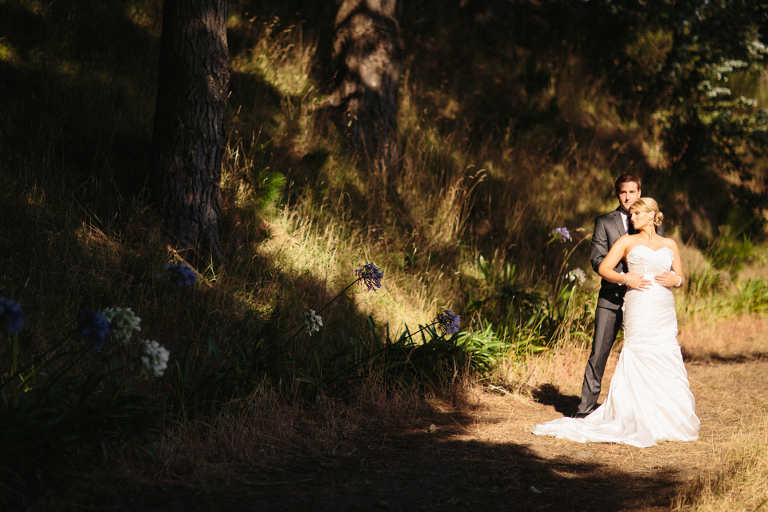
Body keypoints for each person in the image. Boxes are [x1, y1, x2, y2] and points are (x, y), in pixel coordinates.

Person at [532, 198, 700, 447]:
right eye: (631, 215)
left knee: (665, 352)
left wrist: (675, 281)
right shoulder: (626, 241)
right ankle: (636, 415)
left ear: (651, 215)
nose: (632, 218)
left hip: (663, 306)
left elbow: (681, 277)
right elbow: (604, 268)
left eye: (637, 214)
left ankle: (666, 416)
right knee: (639, 351)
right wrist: (626, 279)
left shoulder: (670, 243)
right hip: (639, 303)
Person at [574, 174, 665, 418]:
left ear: (639, 192)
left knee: (644, 353)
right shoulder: (604, 221)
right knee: (599, 353)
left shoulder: (651, 219)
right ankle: (585, 409)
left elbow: (660, 253)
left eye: (632, 192)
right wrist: (624, 278)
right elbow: (597, 260)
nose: (628, 197)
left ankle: (642, 410)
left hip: (643, 299)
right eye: (623, 192)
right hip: (611, 297)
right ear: (617, 194)